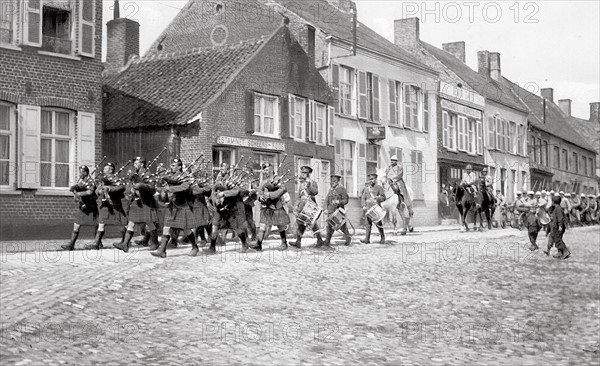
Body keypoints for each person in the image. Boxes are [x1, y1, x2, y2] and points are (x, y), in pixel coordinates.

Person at [113, 157, 160, 252]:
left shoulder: (148, 174)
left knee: (149, 222)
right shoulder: (134, 175)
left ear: (142, 164)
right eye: (134, 164)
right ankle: (125, 245)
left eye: (136, 163)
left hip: (146, 201)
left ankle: (155, 243)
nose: (134, 165)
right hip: (136, 201)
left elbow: (152, 188)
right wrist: (130, 190)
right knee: (131, 223)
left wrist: (141, 186)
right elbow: (129, 187)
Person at [204, 175, 250, 254]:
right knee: (214, 228)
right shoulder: (216, 185)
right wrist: (216, 200)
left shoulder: (232, 185)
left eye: (223, 179)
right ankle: (212, 247)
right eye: (220, 179)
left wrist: (223, 193)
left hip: (230, 210)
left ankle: (244, 244)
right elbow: (212, 194)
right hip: (219, 210)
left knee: (237, 229)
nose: (221, 180)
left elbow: (236, 191)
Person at [90, 162, 128, 250]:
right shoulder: (103, 179)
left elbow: (121, 187)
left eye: (105, 168)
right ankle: (97, 243)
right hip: (105, 204)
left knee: (118, 223)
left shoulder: (115, 179)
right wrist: (100, 191)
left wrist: (109, 188)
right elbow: (97, 191)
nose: (103, 170)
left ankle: (125, 241)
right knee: (101, 223)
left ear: (110, 170)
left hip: (114, 204)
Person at [62, 166, 99, 251]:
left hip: (90, 206)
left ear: (86, 173)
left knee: (96, 224)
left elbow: (90, 192)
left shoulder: (91, 182)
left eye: (81, 172)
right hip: (82, 206)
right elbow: (77, 188)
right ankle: (71, 245)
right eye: (79, 172)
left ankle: (98, 243)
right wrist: (74, 189)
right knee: (76, 224)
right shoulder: (81, 181)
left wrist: (79, 194)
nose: (80, 174)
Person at [249, 175, 290, 251]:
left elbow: (283, 190)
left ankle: (284, 243)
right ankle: (258, 244)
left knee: (280, 225)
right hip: (266, 207)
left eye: (268, 169)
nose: (266, 172)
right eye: (265, 170)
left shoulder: (278, 180)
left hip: (276, 206)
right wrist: (260, 197)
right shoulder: (264, 182)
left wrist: (269, 195)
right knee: (262, 225)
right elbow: (259, 192)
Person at [290, 166, 325, 249]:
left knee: (311, 223)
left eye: (305, 173)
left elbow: (315, 192)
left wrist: (309, 186)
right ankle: (298, 242)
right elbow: (299, 196)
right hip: (302, 205)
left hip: (310, 205)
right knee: (301, 224)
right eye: (302, 172)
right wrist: (296, 206)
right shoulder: (301, 184)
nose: (303, 174)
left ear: (309, 174)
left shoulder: (312, 182)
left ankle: (319, 240)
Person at [322, 174, 349, 248]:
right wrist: (325, 209)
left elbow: (346, 200)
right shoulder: (330, 189)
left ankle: (348, 238)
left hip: (338, 211)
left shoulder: (342, 189)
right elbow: (326, 200)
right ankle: (327, 242)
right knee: (329, 227)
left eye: (334, 181)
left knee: (342, 227)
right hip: (331, 211)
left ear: (338, 181)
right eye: (331, 181)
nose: (332, 182)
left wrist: (339, 202)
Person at [360, 173, 387, 244]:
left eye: (372, 179)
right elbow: (363, 198)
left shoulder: (379, 187)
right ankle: (367, 239)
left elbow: (384, 198)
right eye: (370, 179)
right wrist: (363, 206)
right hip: (368, 209)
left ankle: (382, 237)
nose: (371, 181)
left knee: (378, 223)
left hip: (376, 208)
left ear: (375, 179)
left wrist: (378, 198)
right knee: (367, 224)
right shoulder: (366, 188)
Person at [546, 195, 571, 260]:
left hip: (558, 227)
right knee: (558, 239)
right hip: (555, 227)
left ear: (554, 202)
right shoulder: (556, 208)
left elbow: (560, 218)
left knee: (558, 240)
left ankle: (565, 252)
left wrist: (560, 226)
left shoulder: (558, 208)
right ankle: (560, 252)